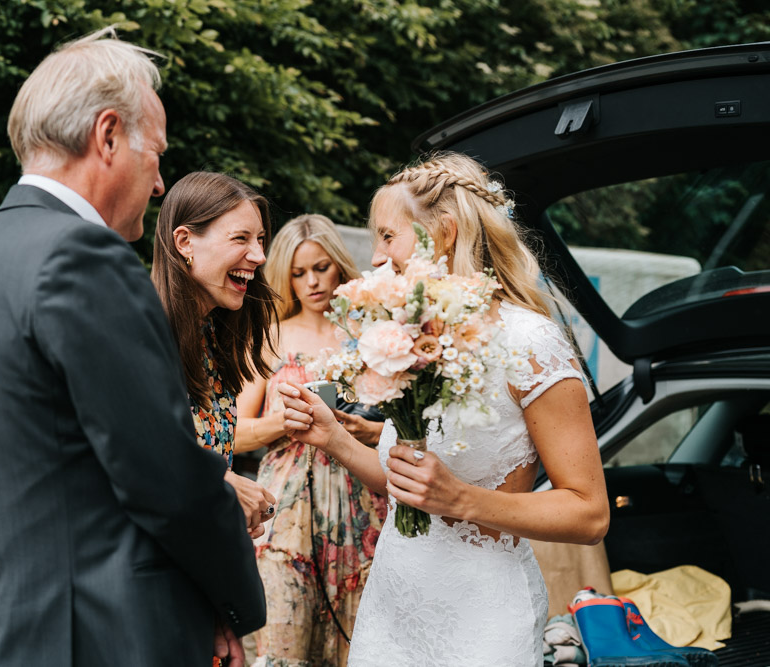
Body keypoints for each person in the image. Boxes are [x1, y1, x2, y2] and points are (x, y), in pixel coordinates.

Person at [0, 31, 265, 667]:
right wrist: (232, 598)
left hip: (36, 628)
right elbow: (162, 475)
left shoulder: (3, 244)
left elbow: (86, 466)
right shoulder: (81, 256)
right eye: (155, 155)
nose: (158, 184)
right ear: (107, 136)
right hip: (104, 634)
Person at [277, 151, 610, 666]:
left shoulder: (530, 342)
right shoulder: (418, 338)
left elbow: (589, 513)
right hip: (394, 603)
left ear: (445, 233)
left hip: (482, 618)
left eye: (388, 236)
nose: (376, 257)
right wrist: (333, 438)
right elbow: (406, 482)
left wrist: (461, 499)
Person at [232, 214, 388, 666]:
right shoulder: (267, 335)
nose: (312, 282)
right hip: (286, 511)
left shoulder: (370, 334)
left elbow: (406, 429)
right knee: (284, 641)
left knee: (360, 644)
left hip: (363, 503)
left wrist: (367, 430)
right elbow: (234, 433)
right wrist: (287, 422)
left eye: (321, 267)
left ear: (339, 265)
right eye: (298, 273)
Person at [151, 170, 278, 540]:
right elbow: (125, 454)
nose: (259, 255)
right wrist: (223, 485)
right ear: (185, 242)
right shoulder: (144, 332)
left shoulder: (213, 334)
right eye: (240, 238)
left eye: (260, 239)